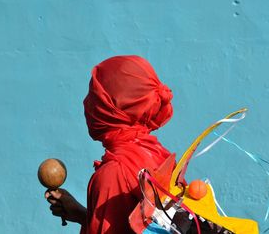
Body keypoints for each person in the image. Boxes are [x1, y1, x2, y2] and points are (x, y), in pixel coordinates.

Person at [45, 55, 174, 233]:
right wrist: (82, 214)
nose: (86, 102)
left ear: (111, 108)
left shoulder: (113, 174)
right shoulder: (159, 154)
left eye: (96, 96)